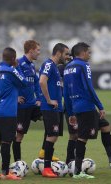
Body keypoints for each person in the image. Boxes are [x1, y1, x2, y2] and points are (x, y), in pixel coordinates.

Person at [63, 42, 111, 170]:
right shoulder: (84, 65)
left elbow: (66, 91)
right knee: (82, 137)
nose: (90, 55)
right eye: (89, 52)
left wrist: (70, 113)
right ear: (82, 52)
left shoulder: (67, 67)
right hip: (86, 106)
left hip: (76, 106)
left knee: (105, 126)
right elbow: (89, 87)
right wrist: (100, 105)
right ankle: (77, 171)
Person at [0, 47, 26, 180]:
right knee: (7, 142)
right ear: (13, 59)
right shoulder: (11, 71)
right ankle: (5, 173)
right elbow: (24, 82)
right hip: (8, 113)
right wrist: (17, 67)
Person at [39, 43, 70, 178]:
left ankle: (46, 165)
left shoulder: (56, 68)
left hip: (57, 108)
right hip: (50, 107)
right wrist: (49, 100)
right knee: (52, 136)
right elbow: (41, 81)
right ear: (58, 53)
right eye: (66, 54)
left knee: (53, 136)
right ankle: (46, 168)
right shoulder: (48, 64)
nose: (67, 56)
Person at [12, 40, 42, 162]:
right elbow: (10, 82)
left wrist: (39, 98)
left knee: (51, 119)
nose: (39, 53)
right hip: (22, 107)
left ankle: (45, 152)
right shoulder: (18, 63)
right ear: (31, 51)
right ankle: (18, 163)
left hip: (33, 104)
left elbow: (35, 82)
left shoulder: (31, 65)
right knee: (19, 136)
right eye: (38, 50)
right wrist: (15, 97)